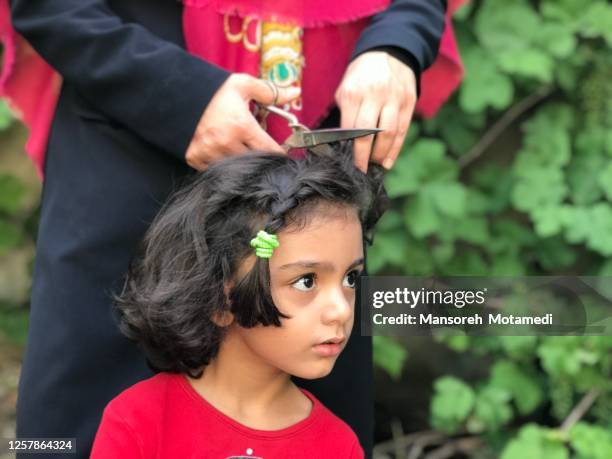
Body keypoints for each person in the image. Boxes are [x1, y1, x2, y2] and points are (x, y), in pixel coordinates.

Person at [1, 1, 456, 457]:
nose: (342, 309)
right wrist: (180, 96)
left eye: (354, 281)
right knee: (65, 434)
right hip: (128, 122)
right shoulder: (128, 419)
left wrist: (397, 42)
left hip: (320, 147)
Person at [90, 146, 387, 458]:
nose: (341, 309)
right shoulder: (138, 422)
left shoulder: (339, 447)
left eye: (351, 278)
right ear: (220, 299)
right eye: (307, 281)